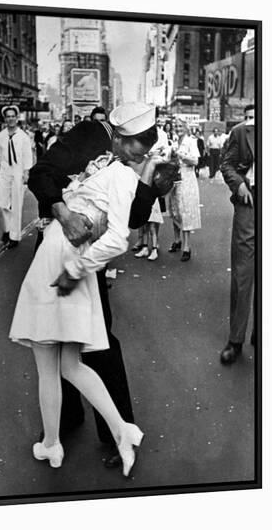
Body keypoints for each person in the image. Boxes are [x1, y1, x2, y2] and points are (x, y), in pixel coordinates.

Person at [27, 102, 171, 470]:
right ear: (119, 135)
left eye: (148, 143)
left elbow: (135, 217)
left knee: (95, 342)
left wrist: (154, 187)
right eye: (137, 143)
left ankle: (115, 432)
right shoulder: (89, 135)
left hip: (86, 258)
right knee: (60, 344)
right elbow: (40, 173)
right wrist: (63, 212)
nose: (141, 151)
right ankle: (64, 423)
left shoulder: (133, 163)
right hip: (60, 243)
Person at [219, 104, 255, 364]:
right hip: (250, 204)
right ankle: (236, 340)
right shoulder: (242, 132)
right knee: (243, 274)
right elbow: (227, 164)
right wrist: (240, 184)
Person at [0, 105, 33, 248]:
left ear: (17, 117)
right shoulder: (1, 136)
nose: (10, 119)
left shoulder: (23, 137)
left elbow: (28, 156)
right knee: (1, 203)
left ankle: (14, 236)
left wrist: (26, 172)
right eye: (8, 116)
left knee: (16, 204)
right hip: (4, 172)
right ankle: (7, 229)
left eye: (13, 116)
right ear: (5, 118)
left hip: (18, 172)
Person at [134, 118, 169, 261]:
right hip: (141, 176)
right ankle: (143, 245)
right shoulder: (140, 135)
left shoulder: (162, 135)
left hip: (155, 179)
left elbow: (166, 156)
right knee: (142, 215)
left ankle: (154, 247)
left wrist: (156, 156)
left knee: (153, 217)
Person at [167, 118, 201, 261]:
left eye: (180, 126)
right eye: (176, 126)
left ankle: (187, 247)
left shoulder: (191, 141)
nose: (178, 128)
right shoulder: (174, 141)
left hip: (187, 180)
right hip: (175, 180)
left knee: (185, 211)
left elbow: (195, 161)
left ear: (186, 128)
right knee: (175, 211)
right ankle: (177, 240)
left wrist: (181, 155)